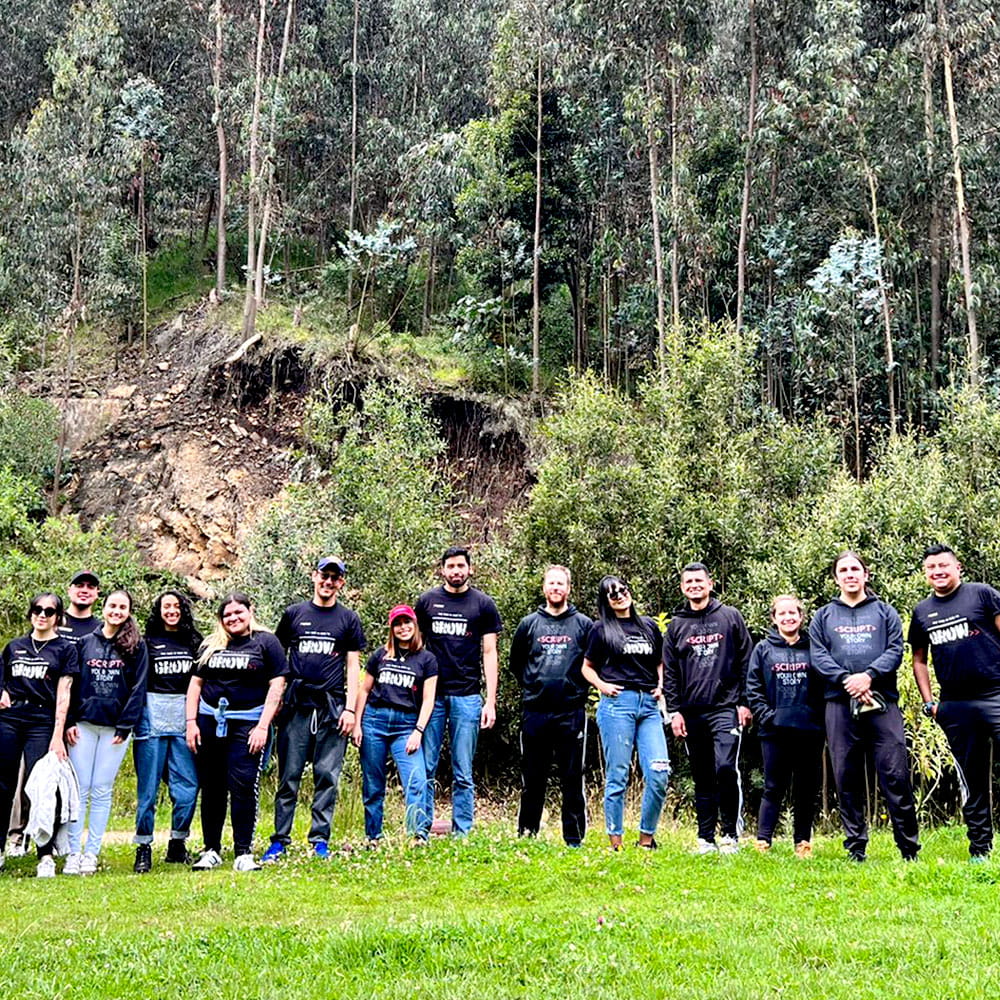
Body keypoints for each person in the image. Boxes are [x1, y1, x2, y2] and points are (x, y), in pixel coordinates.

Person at [810, 550, 920, 862]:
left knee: (895, 774)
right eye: (843, 570)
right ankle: (856, 847)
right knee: (846, 775)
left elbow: (896, 650)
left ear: (865, 574)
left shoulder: (884, 612)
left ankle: (908, 849)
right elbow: (819, 656)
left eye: (855, 569)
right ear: (836, 578)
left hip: (881, 702)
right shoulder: (823, 616)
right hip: (839, 705)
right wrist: (847, 679)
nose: (849, 574)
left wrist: (869, 676)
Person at [262, 557, 365, 862]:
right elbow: (277, 660)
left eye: (335, 577)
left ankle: (320, 839)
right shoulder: (294, 614)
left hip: (332, 708)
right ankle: (280, 839)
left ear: (341, 583)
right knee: (288, 776)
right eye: (324, 575)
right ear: (314, 576)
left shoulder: (348, 619)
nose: (328, 581)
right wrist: (276, 699)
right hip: (296, 706)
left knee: (326, 776)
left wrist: (350, 710)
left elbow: (352, 666)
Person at [910, 544, 1000, 861]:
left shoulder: (982, 595)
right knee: (972, 781)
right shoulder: (922, 612)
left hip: (995, 695)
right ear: (926, 574)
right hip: (955, 706)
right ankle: (979, 851)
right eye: (931, 567)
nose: (938, 571)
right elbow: (918, 660)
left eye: (943, 565)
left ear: (958, 567)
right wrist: (930, 702)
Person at [186, 592, 286, 871]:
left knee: (243, 784)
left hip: (248, 723)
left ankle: (243, 852)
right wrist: (190, 722)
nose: (233, 618)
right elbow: (196, 684)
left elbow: (277, 685)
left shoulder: (266, 642)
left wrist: (263, 726)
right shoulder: (211, 644)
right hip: (209, 721)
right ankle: (211, 849)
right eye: (227, 615)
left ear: (250, 611)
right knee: (212, 786)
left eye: (238, 613)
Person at [663, 562, 753, 854]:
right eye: (688, 582)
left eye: (699, 580)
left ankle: (730, 835)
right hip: (691, 711)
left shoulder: (730, 617)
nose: (694, 585)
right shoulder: (676, 626)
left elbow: (746, 661)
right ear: (682, 588)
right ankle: (705, 838)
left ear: (710, 583)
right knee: (702, 774)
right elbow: (671, 672)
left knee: (726, 768)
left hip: (726, 708)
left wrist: (745, 702)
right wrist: (674, 711)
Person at [416, 547, 501, 836]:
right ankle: (420, 829)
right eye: (450, 566)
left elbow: (489, 652)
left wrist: (490, 700)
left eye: (461, 566)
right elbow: (415, 646)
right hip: (432, 697)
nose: (456, 571)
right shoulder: (427, 602)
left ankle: (462, 832)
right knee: (425, 766)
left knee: (463, 770)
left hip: (467, 695)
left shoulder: (483, 604)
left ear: (470, 569)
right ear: (442, 570)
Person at [581, 575, 668, 850]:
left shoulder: (649, 626)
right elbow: (586, 667)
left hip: (649, 706)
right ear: (606, 601)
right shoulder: (600, 629)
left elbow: (660, 662)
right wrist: (602, 685)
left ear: (630, 592)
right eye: (611, 593)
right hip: (618, 705)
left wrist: (662, 686)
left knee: (659, 772)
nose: (618, 595)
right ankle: (615, 843)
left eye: (622, 589)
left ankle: (646, 840)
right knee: (618, 774)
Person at [65, 589, 149, 875]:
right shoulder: (84, 643)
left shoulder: (136, 646)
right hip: (83, 726)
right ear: (104, 608)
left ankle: (92, 853)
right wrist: (69, 722)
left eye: (122, 607)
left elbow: (139, 688)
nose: (116, 611)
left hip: (115, 729)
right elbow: (72, 686)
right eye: (112, 605)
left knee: (101, 789)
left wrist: (127, 725)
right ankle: (73, 853)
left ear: (128, 611)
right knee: (81, 789)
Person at [509, 565, 592, 846]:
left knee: (572, 777)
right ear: (544, 588)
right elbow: (516, 663)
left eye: (561, 584)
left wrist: (575, 690)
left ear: (569, 589)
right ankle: (527, 835)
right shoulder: (529, 623)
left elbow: (593, 664)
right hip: (535, 711)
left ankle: (574, 839)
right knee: (533, 778)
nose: (556, 588)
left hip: (571, 712)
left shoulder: (584, 624)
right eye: (551, 583)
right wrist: (534, 686)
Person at [0, 594, 78, 876]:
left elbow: (64, 693)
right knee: (3, 785)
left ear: (58, 616)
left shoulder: (64, 649)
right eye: (37, 609)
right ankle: (1, 848)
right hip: (10, 719)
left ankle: (45, 854)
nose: (42, 615)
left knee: (43, 787)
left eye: (49, 611)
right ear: (30, 613)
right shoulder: (14, 647)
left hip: (41, 721)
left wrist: (58, 734)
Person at [745, 595, 824, 858]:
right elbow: (753, 687)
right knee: (773, 787)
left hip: (809, 730)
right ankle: (763, 841)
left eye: (793, 613)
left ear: (801, 617)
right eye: (783, 613)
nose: (788, 617)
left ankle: (803, 843)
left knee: (806, 789)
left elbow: (825, 685)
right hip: (774, 731)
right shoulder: (762, 649)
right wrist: (767, 716)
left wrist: (817, 717)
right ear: (774, 618)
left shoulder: (815, 647)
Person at [132, 591, 203, 873]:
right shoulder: (146, 642)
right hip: (152, 715)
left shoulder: (195, 642)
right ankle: (143, 847)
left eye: (176, 606)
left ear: (183, 609)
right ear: (158, 611)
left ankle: (177, 843)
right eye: (166, 606)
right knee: (148, 789)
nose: (171, 610)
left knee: (187, 787)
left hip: (185, 717)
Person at [354, 605, 438, 844]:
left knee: (416, 780)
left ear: (415, 624)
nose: (404, 628)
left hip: (406, 725)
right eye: (398, 624)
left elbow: (428, 699)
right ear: (392, 628)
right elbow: (365, 689)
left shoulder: (427, 659)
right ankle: (373, 836)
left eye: (407, 622)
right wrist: (358, 724)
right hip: (374, 721)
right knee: (373, 783)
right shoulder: (380, 655)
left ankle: (417, 835)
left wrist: (418, 731)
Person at [59, 571, 102, 643]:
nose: (84, 591)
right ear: (69, 590)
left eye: (90, 587)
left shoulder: (101, 630)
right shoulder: (53, 621)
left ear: (97, 593)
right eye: (79, 586)